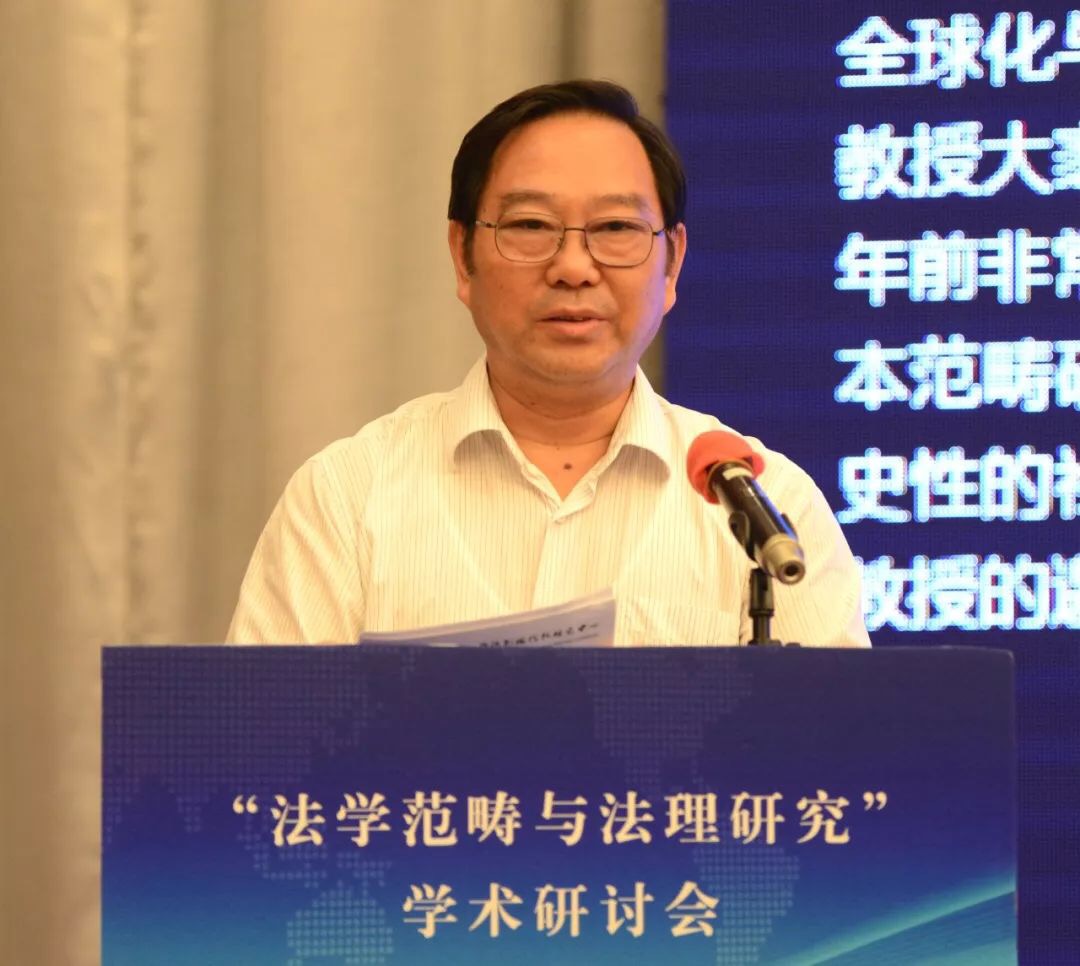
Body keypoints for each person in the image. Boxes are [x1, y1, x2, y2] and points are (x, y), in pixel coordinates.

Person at [227, 80, 870, 647]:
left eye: (615, 228)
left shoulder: (766, 510)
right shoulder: (347, 496)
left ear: (672, 264)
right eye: (531, 226)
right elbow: (268, 738)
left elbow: (836, 741)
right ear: (462, 255)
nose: (573, 268)